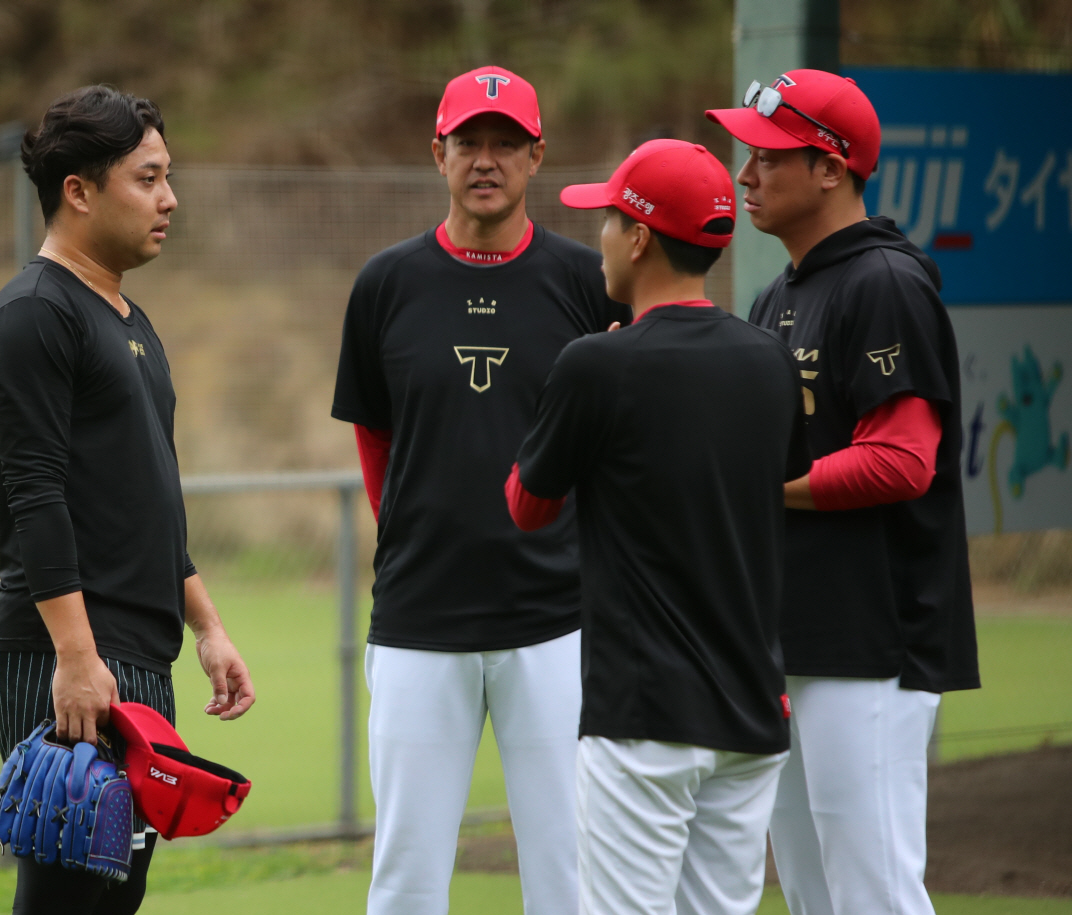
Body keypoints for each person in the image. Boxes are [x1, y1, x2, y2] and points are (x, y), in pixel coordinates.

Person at [331, 65, 630, 915]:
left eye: (506, 144)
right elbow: (374, 434)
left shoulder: (589, 283)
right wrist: (424, 538)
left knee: (569, 872)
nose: (486, 160)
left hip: (561, 621)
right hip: (421, 620)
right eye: (469, 142)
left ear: (539, 158)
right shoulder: (385, 284)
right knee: (407, 877)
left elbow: (620, 441)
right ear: (439, 153)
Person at [507, 139, 811, 915]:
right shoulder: (769, 358)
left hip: (643, 711)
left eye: (609, 219)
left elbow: (526, 505)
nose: (599, 236)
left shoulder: (596, 365)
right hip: (749, 707)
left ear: (639, 237)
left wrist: (576, 410)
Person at [705, 69, 980, 915]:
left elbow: (902, 459)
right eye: (745, 155)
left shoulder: (885, 282)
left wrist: (759, 489)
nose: (745, 174)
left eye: (768, 156)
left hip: (875, 642)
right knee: (818, 895)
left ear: (831, 167)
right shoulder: (776, 291)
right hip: (794, 638)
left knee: (874, 893)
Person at [0, 85, 256, 915]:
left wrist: (206, 624)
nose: (170, 198)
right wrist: (73, 655)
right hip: (66, 650)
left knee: (115, 889)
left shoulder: (129, 317)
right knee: (70, 892)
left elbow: (148, 496)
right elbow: (36, 495)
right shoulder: (34, 314)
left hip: (136, 649)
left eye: (168, 176)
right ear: (79, 190)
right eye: (148, 177)